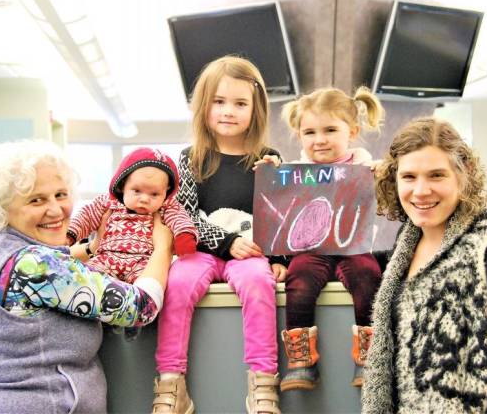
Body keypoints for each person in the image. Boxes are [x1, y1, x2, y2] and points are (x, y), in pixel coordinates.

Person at [0, 140, 173, 413]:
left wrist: (92, 247)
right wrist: (162, 246)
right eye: (36, 200)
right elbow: (140, 308)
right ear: (4, 207)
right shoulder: (38, 265)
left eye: (61, 194)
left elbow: (55, 266)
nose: (55, 210)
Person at [361, 117, 487, 413]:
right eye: (409, 177)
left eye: (436, 175)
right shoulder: (406, 245)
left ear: (464, 173)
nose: (420, 190)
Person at [151, 56, 285, 414]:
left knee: (259, 284)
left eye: (240, 103)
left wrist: (278, 258)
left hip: (251, 251)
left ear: (255, 109)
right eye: (219, 102)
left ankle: (263, 384)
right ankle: (170, 384)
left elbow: (280, 215)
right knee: (177, 283)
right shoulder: (190, 158)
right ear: (203, 106)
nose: (229, 111)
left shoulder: (268, 158)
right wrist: (226, 243)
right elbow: (185, 214)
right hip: (204, 249)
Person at [254, 86, 385, 391]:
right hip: (312, 248)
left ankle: (370, 356)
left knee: (368, 274)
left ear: (351, 131)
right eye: (309, 132)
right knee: (299, 277)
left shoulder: (364, 166)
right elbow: (278, 210)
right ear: (299, 136)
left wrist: (383, 175)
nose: (320, 139)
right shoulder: (298, 171)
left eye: (330, 130)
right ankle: (301, 360)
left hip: (353, 246)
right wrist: (272, 175)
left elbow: (386, 206)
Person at [67, 147, 198, 339]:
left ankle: (133, 323)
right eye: (136, 191)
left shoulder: (166, 208)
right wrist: (71, 233)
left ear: (166, 194)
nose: (144, 199)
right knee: (88, 279)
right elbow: (86, 216)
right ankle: (94, 318)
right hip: (106, 257)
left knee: (144, 286)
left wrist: (184, 237)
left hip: (142, 262)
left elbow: (181, 219)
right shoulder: (107, 203)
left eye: (154, 194)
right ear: (121, 186)